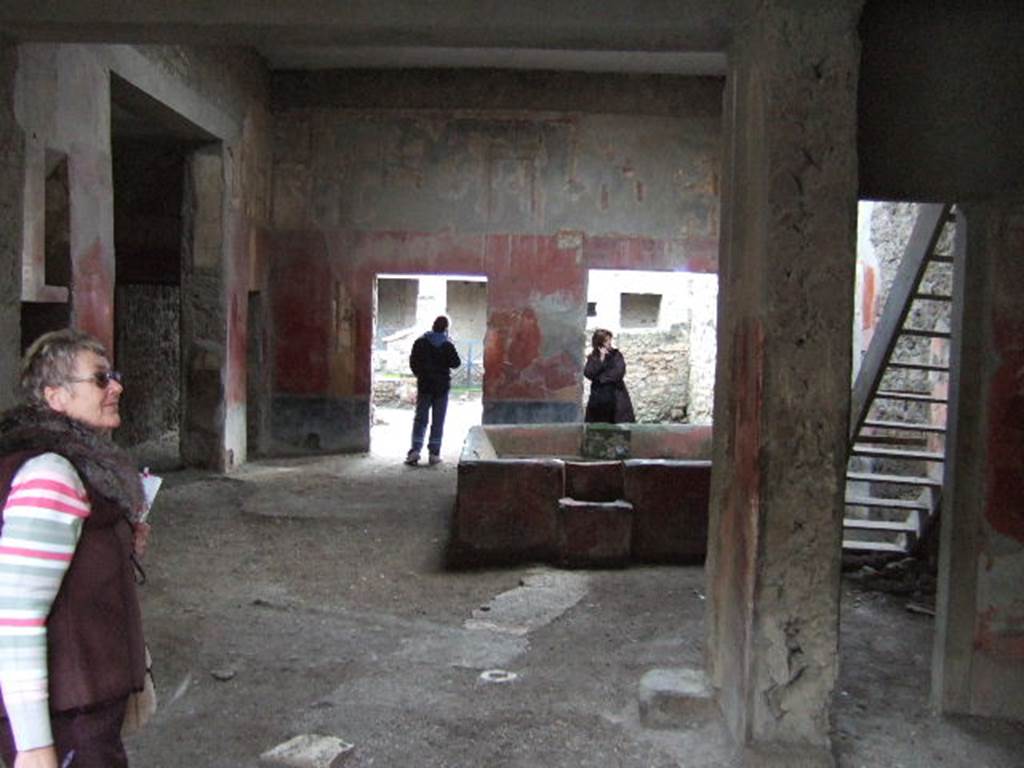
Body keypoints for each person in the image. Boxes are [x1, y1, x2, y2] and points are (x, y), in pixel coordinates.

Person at [0, 329, 150, 768]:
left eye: (114, 376)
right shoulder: (50, 474)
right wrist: (33, 745)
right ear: (56, 396)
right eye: (100, 379)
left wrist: (117, 544)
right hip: (67, 718)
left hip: (83, 707)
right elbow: (15, 615)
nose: (116, 387)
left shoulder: (79, 464)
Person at [405, 316, 461, 466]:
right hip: (441, 387)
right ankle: (434, 454)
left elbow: (413, 362)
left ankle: (415, 450)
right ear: (446, 328)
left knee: (420, 419)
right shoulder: (447, 345)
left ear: (433, 326)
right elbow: (456, 363)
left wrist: (421, 375)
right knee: (438, 420)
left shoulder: (420, 342)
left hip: (425, 386)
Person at [583, 329, 636, 424]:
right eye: (607, 341)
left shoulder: (616, 355)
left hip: (616, 396)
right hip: (598, 399)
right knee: (598, 426)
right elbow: (589, 373)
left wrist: (601, 379)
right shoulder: (593, 357)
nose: (609, 343)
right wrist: (601, 360)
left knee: (619, 425)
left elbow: (618, 373)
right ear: (600, 343)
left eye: (609, 340)